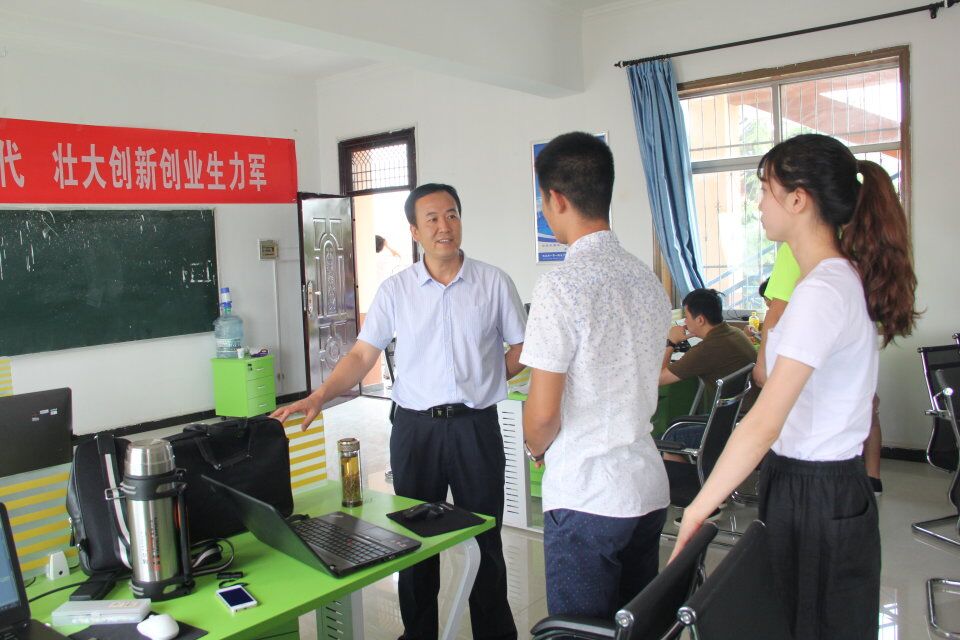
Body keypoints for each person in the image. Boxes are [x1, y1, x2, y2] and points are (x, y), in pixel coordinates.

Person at [672, 133, 918, 639]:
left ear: (799, 199)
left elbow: (764, 420)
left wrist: (698, 507)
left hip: (818, 491)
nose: (759, 204)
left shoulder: (824, 290)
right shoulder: (827, 280)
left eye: (765, 189)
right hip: (809, 484)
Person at [272, 183, 525, 640]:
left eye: (452, 215)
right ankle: (418, 633)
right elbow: (361, 355)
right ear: (414, 230)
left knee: (485, 538)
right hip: (415, 430)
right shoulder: (397, 290)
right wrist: (320, 395)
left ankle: (495, 634)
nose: (444, 226)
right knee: (412, 541)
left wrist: (488, 378)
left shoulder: (494, 282)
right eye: (432, 218)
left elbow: (522, 347)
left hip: (475, 428)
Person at [520, 132, 670, 619]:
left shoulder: (560, 286)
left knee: (579, 631)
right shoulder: (646, 280)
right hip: (646, 488)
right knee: (633, 628)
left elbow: (542, 414)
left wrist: (536, 447)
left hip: (587, 495)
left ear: (556, 199)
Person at [757, 243, 885, 493]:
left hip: (814, 471)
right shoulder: (851, 256)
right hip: (841, 466)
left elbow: (777, 312)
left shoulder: (803, 261)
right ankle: (873, 477)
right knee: (868, 410)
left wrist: (763, 363)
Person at [658, 287, 759, 451]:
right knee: (678, 427)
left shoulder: (707, 349)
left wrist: (671, 342)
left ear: (700, 320)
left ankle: (680, 468)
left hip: (735, 423)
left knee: (671, 437)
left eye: (686, 317)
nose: (685, 322)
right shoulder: (735, 333)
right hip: (747, 416)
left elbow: (659, 379)